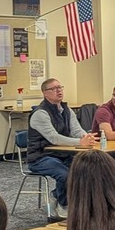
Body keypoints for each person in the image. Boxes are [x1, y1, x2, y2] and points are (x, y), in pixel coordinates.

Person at [26, 77, 96, 219]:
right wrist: (79, 142)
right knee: (66, 175)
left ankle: (55, 195)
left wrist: (86, 137)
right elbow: (54, 138)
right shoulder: (40, 113)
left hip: (62, 154)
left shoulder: (66, 110)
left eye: (60, 87)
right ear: (45, 93)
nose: (59, 91)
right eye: (54, 89)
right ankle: (64, 204)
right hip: (40, 157)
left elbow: (76, 130)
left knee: (86, 168)